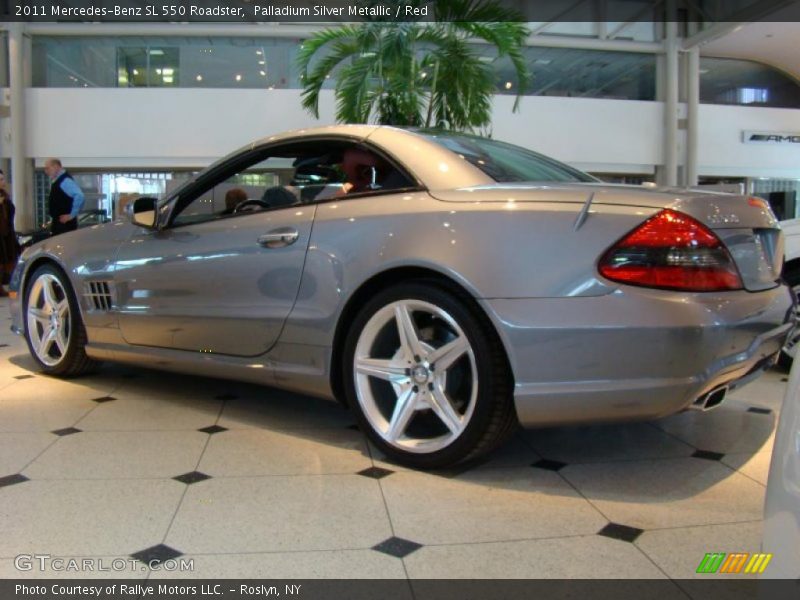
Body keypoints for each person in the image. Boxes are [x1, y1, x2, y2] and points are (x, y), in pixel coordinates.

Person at [43, 158, 85, 236]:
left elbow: (80, 196)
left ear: (56, 166)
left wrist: (72, 215)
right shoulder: (59, 181)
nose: (46, 171)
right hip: (61, 224)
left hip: (64, 226)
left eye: (47, 168)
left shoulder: (64, 181)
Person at [0, 169, 20, 297]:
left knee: (9, 261)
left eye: (2, 179)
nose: (3, 182)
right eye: (0, 180)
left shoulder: (5, 197)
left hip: (7, 235)